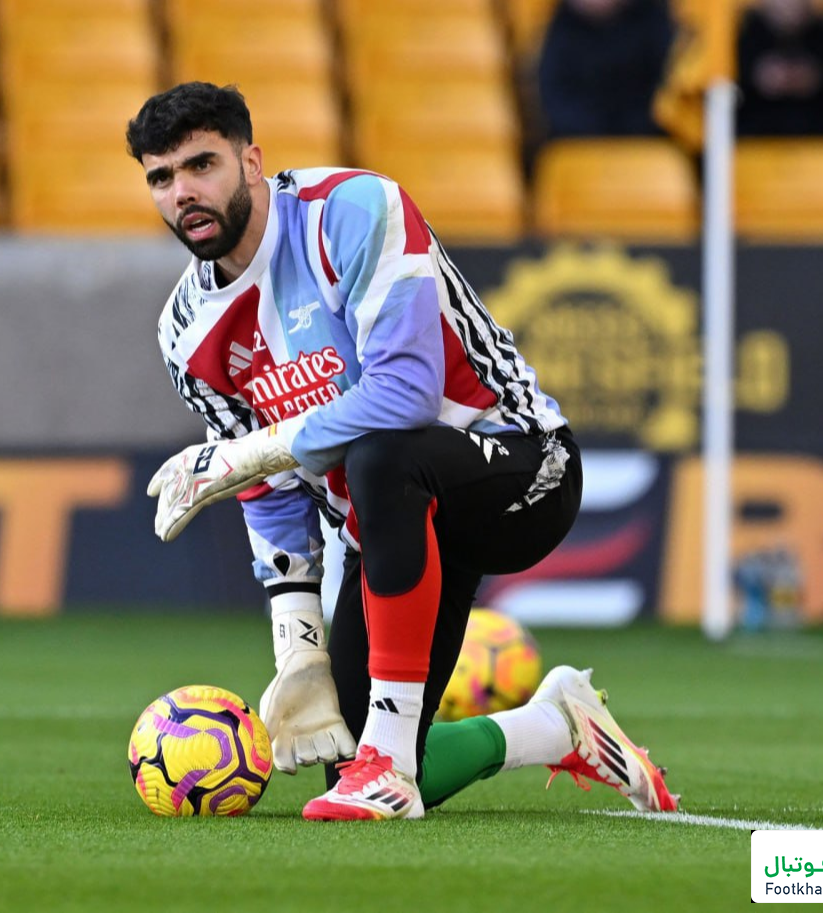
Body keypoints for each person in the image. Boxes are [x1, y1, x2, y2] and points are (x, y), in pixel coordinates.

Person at [127, 82, 679, 821]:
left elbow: (406, 394)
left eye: (202, 165)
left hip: (520, 470)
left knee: (381, 457)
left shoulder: (351, 212)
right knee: (342, 755)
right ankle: (555, 726)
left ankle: (386, 767)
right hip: (388, 527)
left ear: (251, 162)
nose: (183, 193)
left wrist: (251, 451)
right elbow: (267, 491)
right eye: (161, 177)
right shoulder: (186, 329)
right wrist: (299, 651)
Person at [534, 0, 676, 140]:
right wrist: (593, 129)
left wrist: (631, 128)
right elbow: (555, 96)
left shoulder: (651, 20)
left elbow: (667, 88)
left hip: (646, 138)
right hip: (578, 139)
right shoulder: (562, 27)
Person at [736, 0, 823, 137]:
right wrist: (759, 78)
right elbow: (727, 92)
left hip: (818, 134)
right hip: (757, 134)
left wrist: (817, 79)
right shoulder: (747, 34)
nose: (789, 6)